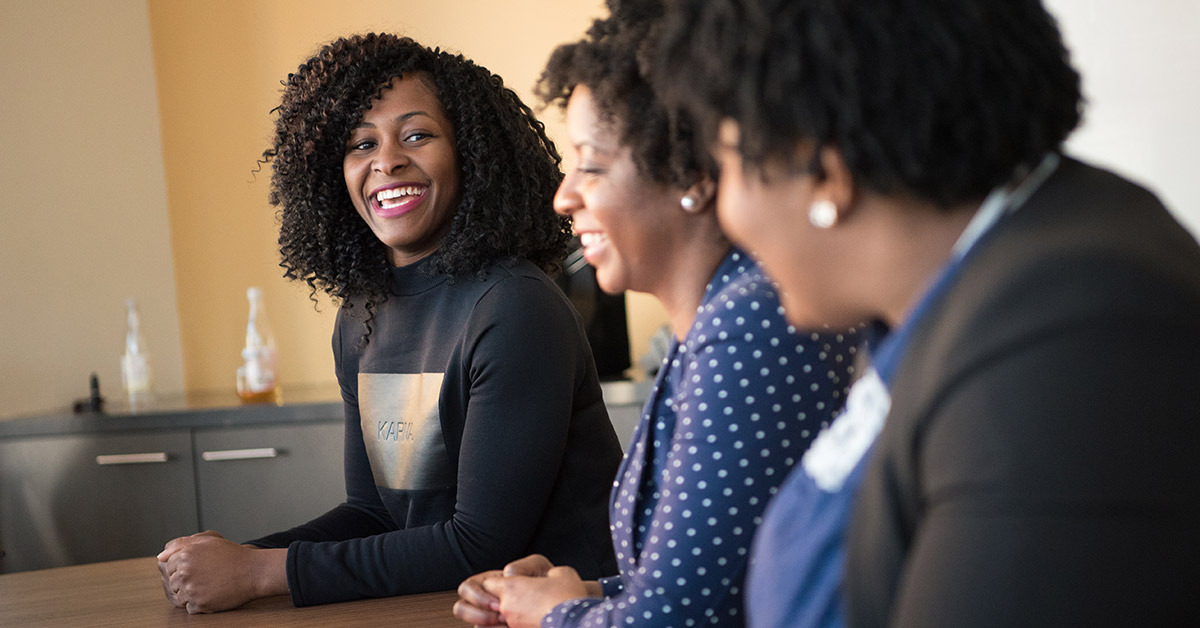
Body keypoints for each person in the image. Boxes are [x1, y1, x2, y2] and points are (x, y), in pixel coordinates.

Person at [650, 0, 1200, 626]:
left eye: (725, 169)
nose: (725, 212)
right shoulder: (976, 287)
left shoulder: (1067, 333)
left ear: (824, 172)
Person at [156, 33, 623, 613]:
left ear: (470, 153)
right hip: (441, 608)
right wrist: (236, 558)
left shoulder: (514, 306)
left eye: (417, 135)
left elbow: (478, 543)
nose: (387, 160)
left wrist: (258, 572)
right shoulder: (361, 314)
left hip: (566, 616)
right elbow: (374, 514)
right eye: (360, 144)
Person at [452, 5, 856, 627]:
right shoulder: (712, 322)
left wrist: (557, 616)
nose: (564, 196)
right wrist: (590, 593)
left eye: (590, 163)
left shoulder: (749, 324)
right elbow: (712, 580)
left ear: (690, 173)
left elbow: (673, 621)